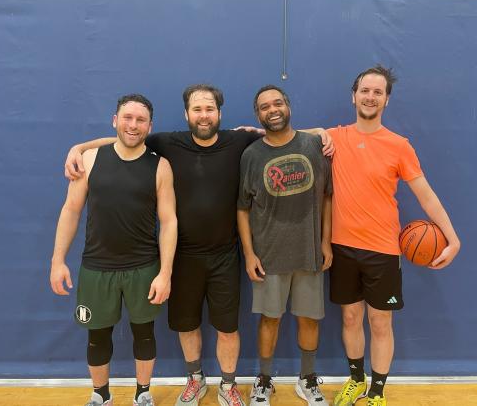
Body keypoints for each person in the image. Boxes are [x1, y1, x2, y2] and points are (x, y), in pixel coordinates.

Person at [65, 85, 333, 406]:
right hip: (183, 257)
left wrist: (318, 132)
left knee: (227, 328)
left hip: (225, 255)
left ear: (219, 113)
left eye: (209, 109)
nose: (203, 115)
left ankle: (229, 385)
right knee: (187, 325)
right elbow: (125, 139)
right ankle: (195, 379)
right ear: (186, 114)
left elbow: (279, 132)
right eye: (197, 109)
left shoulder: (239, 141)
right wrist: (79, 147)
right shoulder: (166, 143)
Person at [328, 66, 461, 406]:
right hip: (342, 247)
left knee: (380, 322)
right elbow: (292, 138)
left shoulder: (399, 146)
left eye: (377, 92)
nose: (370, 97)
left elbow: (426, 195)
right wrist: (258, 131)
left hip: (383, 251)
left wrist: (452, 238)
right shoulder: (334, 138)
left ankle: (377, 391)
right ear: (353, 96)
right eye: (365, 91)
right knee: (350, 317)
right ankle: (356, 380)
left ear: (386, 100)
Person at [50, 94, 177, 406]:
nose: (133, 125)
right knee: (97, 336)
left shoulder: (160, 166)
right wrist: (58, 261)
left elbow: (169, 221)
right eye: (127, 118)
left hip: (143, 266)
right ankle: (101, 395)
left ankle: (142, 393)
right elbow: (70, 211)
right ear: (115, 120)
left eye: (140, 120)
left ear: (150, 126)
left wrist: (165, 273)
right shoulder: (90, 159)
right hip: (97, 266)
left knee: (144, 333)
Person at [237, 85, 333, 406]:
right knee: (270, 319)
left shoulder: (313, 145)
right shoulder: (251, 155)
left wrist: (326, 242)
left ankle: (307, 380)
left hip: (308, 251)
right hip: (269, 255)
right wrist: (249, 253)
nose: (272, 109)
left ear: (288, 106)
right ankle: (263, 380)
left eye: (277, 103)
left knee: (309, 318)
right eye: (265, 106)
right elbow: (242, 208)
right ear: (258, 115)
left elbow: (327, 196)